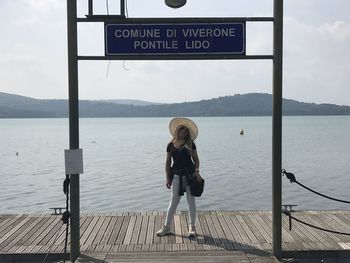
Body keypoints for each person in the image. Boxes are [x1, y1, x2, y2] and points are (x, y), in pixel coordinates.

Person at [156, 117, 203, 237]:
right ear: (177, 130)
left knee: (191, 201)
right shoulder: (170, 146)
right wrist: (168, 178)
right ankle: (166, 227)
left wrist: (197, 172)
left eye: (185, 130)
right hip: (176, 176)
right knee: (173, 202)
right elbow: (167, 163)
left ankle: (192, 228)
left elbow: (196, 160)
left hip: (190, 175)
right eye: (181, 130)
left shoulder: (191, 144)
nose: (183, 132)